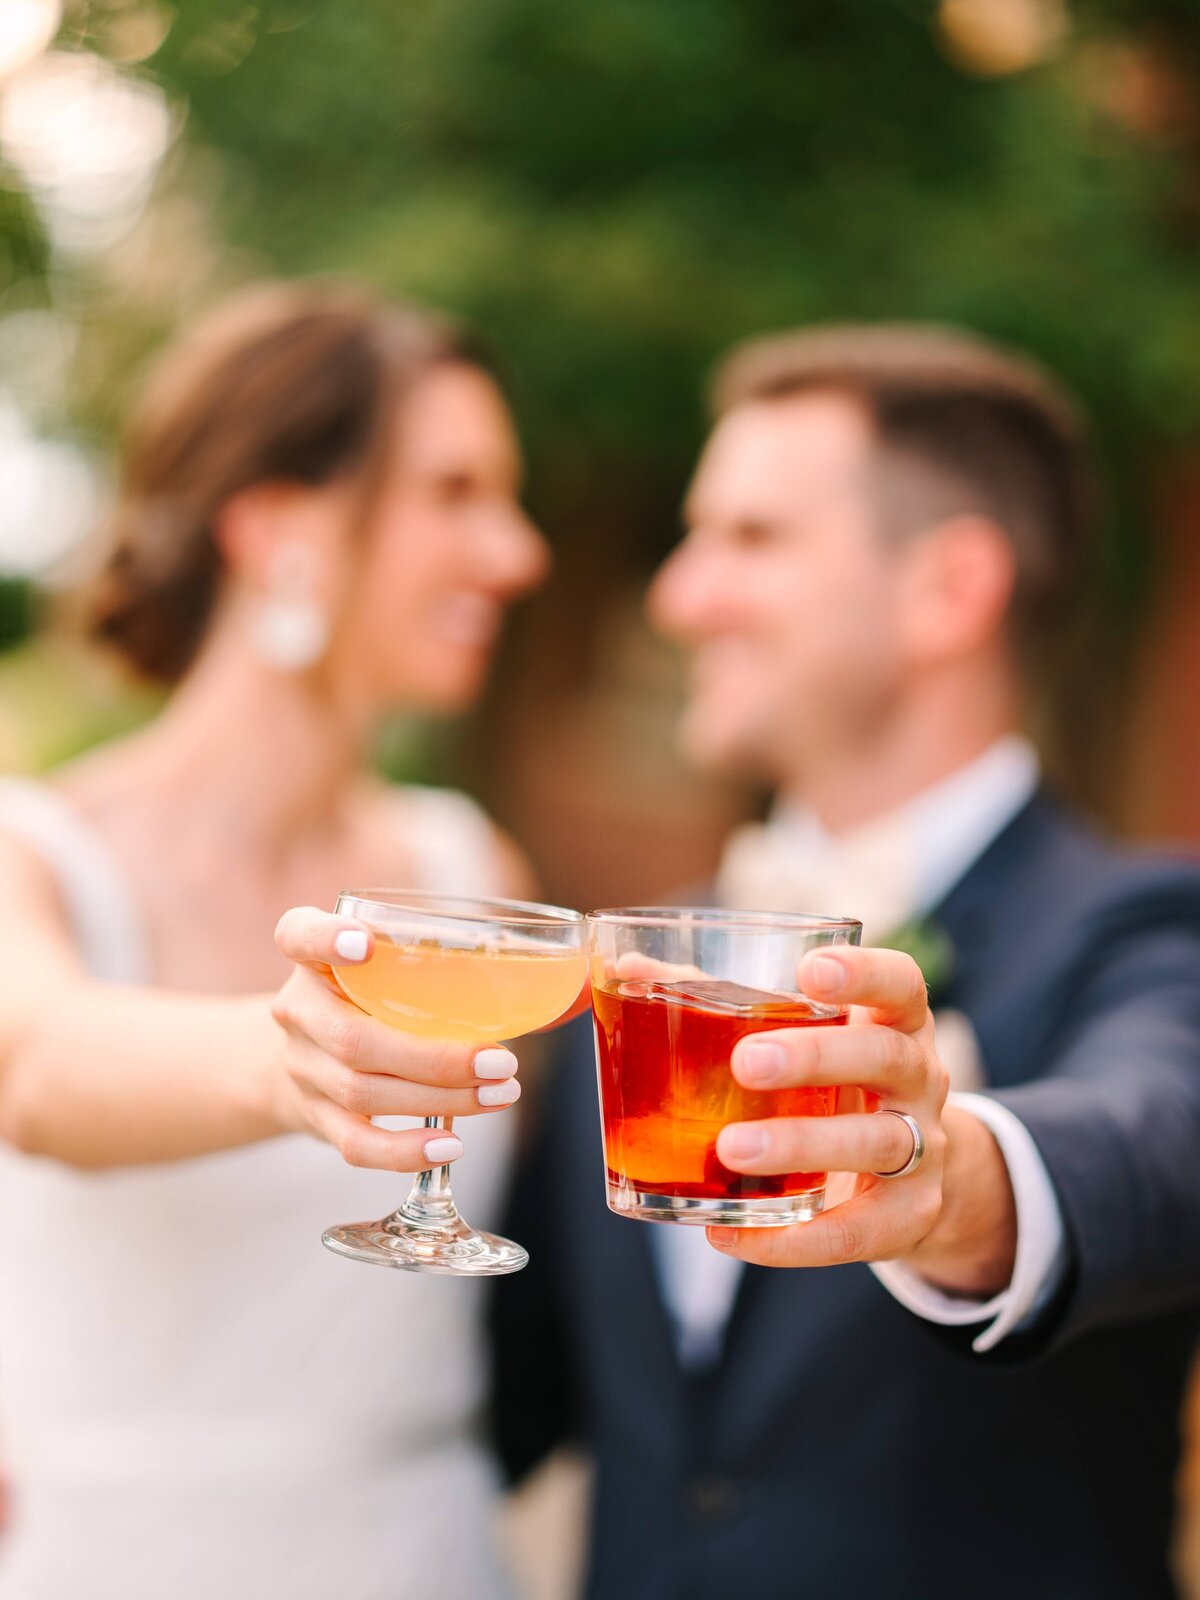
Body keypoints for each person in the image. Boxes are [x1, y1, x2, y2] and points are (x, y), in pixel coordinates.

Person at [488, 325, 1200, 1599]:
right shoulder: (640, 959)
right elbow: (498, 1387)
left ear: (949, 589)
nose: (678, 595)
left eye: (751, 539)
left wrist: (960, 1181)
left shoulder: (1147, 926)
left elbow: (1154, 1140)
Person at [0, 281, 552, 1600]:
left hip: (429, 1553)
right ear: (277, 529)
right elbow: (38, 1069)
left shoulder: (472, 874)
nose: (517, 552)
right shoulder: (33, 854)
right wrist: (289, 1062)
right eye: (456, 492)